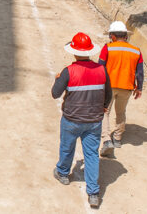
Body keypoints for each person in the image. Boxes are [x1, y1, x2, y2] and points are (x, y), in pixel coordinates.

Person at [52, 32, 112, 209]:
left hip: (72, 119)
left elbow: (55, 93)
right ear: (90, 52)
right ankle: (93, 193)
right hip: (94, 121)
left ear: (74, 52)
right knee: (92, 154)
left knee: (67, 147)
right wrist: (103, 106)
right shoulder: (102, 70)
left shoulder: (68, 71)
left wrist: (57, 80)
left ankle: (63, 173)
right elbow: (107, 95)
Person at [98, 21, 143, 148]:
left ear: (112, 36)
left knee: (105, 111)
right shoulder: (136, 51)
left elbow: (100, 67)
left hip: (109, 86)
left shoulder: (107, 48)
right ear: (126, 36)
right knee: (121, 112)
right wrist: (139, 88)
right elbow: (140, 72)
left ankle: (106, 139)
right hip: (127, 87)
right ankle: (117, 138)